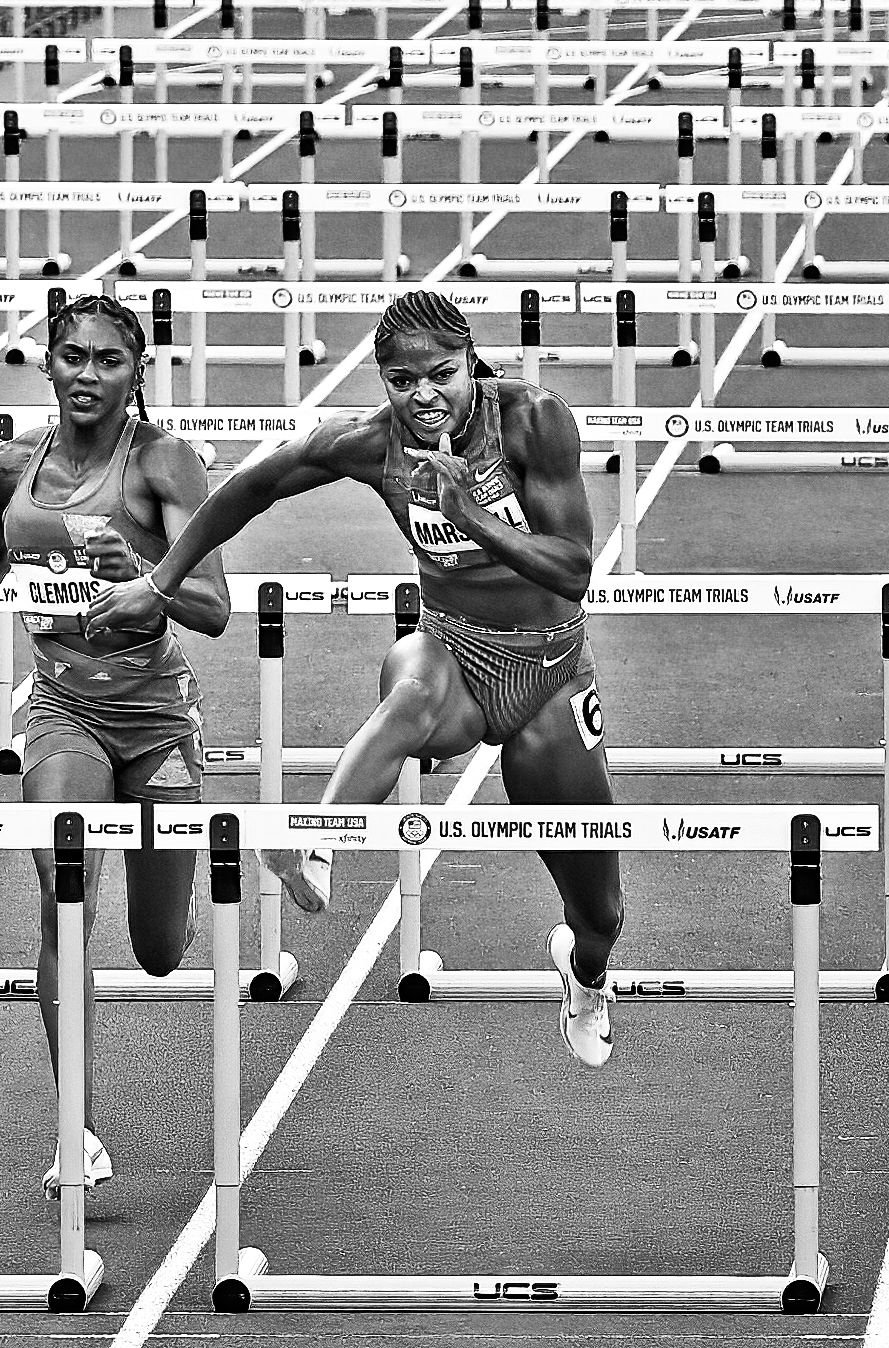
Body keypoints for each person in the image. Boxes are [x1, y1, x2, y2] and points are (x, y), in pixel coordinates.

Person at [139, 290, 625, 1065]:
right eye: (402, 381)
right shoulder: (373, 444)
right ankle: (315, 844)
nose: (423, 397)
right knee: (411, 691)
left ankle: (586, 973)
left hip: (553, 670)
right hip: (453, 649)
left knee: (601, 910)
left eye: (441, 375)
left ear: (471, 361)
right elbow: (255, 485)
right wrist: (164, 577)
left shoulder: (535, 420)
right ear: (382, 380)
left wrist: (470, 515)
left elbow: (574, 570)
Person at [0, 293, 229, 1192]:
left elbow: (217, 609)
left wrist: (149, 576)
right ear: (47, 363)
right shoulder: (7, 468)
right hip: (63, 711)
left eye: (108, 361)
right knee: (64, 892)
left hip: (156, 719)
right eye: (72, 357)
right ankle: (73, 1127)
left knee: (160, 949)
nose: (88, 374)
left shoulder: (164, 465)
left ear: (137, 372)